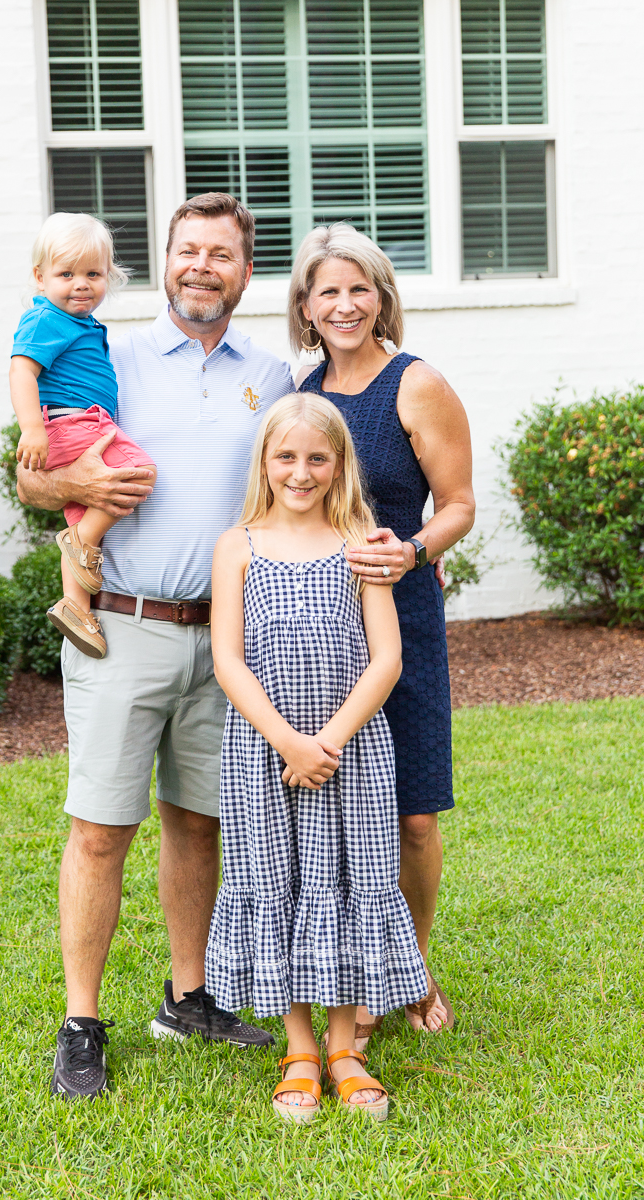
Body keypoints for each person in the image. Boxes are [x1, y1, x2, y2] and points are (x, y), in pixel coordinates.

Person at [16, 193, 294, 1100]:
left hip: (225, 637)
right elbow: (33, 473)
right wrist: (72, 474)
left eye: (222, 254)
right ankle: (82, 1022)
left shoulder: (277, 376)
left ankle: (189, 996)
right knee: (101, 830)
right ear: (165, 262)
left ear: (245, 272)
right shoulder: (110, 351)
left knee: (197, 822)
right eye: (188, 251)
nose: (202, 267)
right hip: (121, 628)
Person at [206, 392, 434, 1124]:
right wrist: (287, 741)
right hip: (264, 753)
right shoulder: (237, 545)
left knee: (347, 883)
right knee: (282, 883)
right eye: (286, 457)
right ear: (265, 463)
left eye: (316, 458)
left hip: (352, 754)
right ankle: (298, 1047)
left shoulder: (362, 540)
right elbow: (227, 660)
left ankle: (345, 1047)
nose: (300, 472)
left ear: (338, 466)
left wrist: (327, 742)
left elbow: (388, 659)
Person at [292, 224, 476, 1037]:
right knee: (342, 806)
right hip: (320, 630)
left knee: (413, 812)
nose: (344, 304)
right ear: (306, 305)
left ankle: (411, 965)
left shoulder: (417, 384)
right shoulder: (303, 395)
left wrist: (411, 553)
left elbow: (461, 504)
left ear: (382, 299)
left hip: (403, 614)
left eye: (359, 288)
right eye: (328, 290)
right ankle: (343, 970)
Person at [10, 212, 157, 660]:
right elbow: (21, 370)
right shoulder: (46, 319)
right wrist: (32, 427)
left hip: (80, 424)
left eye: (93, 274)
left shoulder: (83, 324)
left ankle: (76, 607)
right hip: (74, 424)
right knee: (139, 470)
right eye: (66, 274)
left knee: (84, 511)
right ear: (40, 277)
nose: (81, 284)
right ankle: (80, 544)